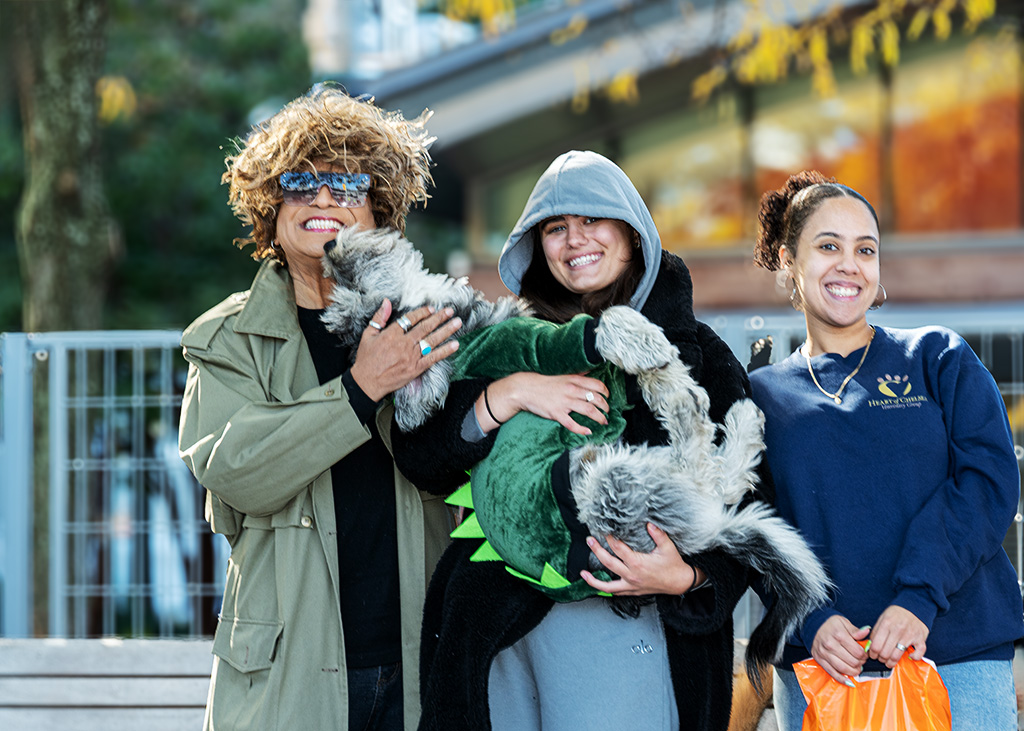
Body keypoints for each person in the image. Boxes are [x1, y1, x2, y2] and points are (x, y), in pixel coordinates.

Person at [391, 150, 774, 731]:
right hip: (506, 634)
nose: (575, 241)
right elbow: (421, 455)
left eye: (592, 220)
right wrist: (510, 394)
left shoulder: (697, 352)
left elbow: (752, 495)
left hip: (632, 619)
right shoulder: (510, 339)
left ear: (631, 231)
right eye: (555, 228)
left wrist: (690, 579)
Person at [177, 86, 462, 731]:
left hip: (428, 658)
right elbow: (236, 468)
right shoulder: (226, 339)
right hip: (286, 676)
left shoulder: (430, 322)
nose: (325, 199)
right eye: (301, 182)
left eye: (349, 184)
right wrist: (361, 388)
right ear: (270, 208)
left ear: (380, 210)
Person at [748, 171, 1023, 731]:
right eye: (828, 246)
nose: (850, 265)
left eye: (865, 250)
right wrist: (810, 619)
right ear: (787, 261)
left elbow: (987, 483)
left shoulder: (938, 357)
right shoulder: (760, 397)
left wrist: (917, 597)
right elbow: (752, 525)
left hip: (954, 656)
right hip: (824, 670)